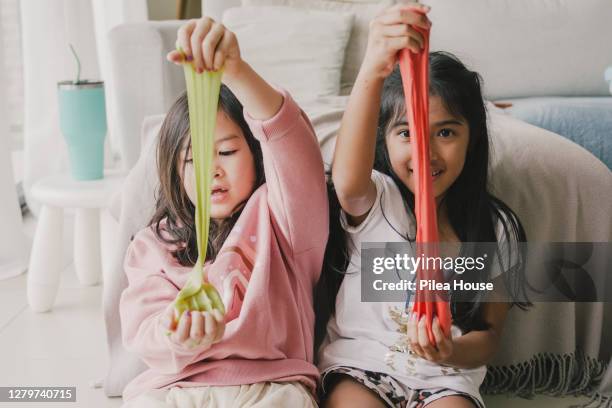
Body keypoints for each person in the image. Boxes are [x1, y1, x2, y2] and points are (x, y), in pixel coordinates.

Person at [318, 3, 529, 407]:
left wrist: (449, 351)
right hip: (362, 369)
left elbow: (487, 337)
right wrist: (373, 67)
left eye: (445, 132)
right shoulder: (378, 201)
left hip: (445, 379)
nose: (425, 153)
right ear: (384, 141)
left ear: (473, 138)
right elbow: (346, 181)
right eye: (406, 134)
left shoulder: (495, 229)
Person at [119, 17, 328, 407]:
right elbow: (143, 328)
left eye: (227, 152)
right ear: (173, 172)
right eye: (191, 160)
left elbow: (291, 145)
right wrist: (176, 333)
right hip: (174, 387)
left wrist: (237, 71)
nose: (211, 170)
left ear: (256, 152)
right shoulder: (153, 244)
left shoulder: (282, 219)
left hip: (270, 385)